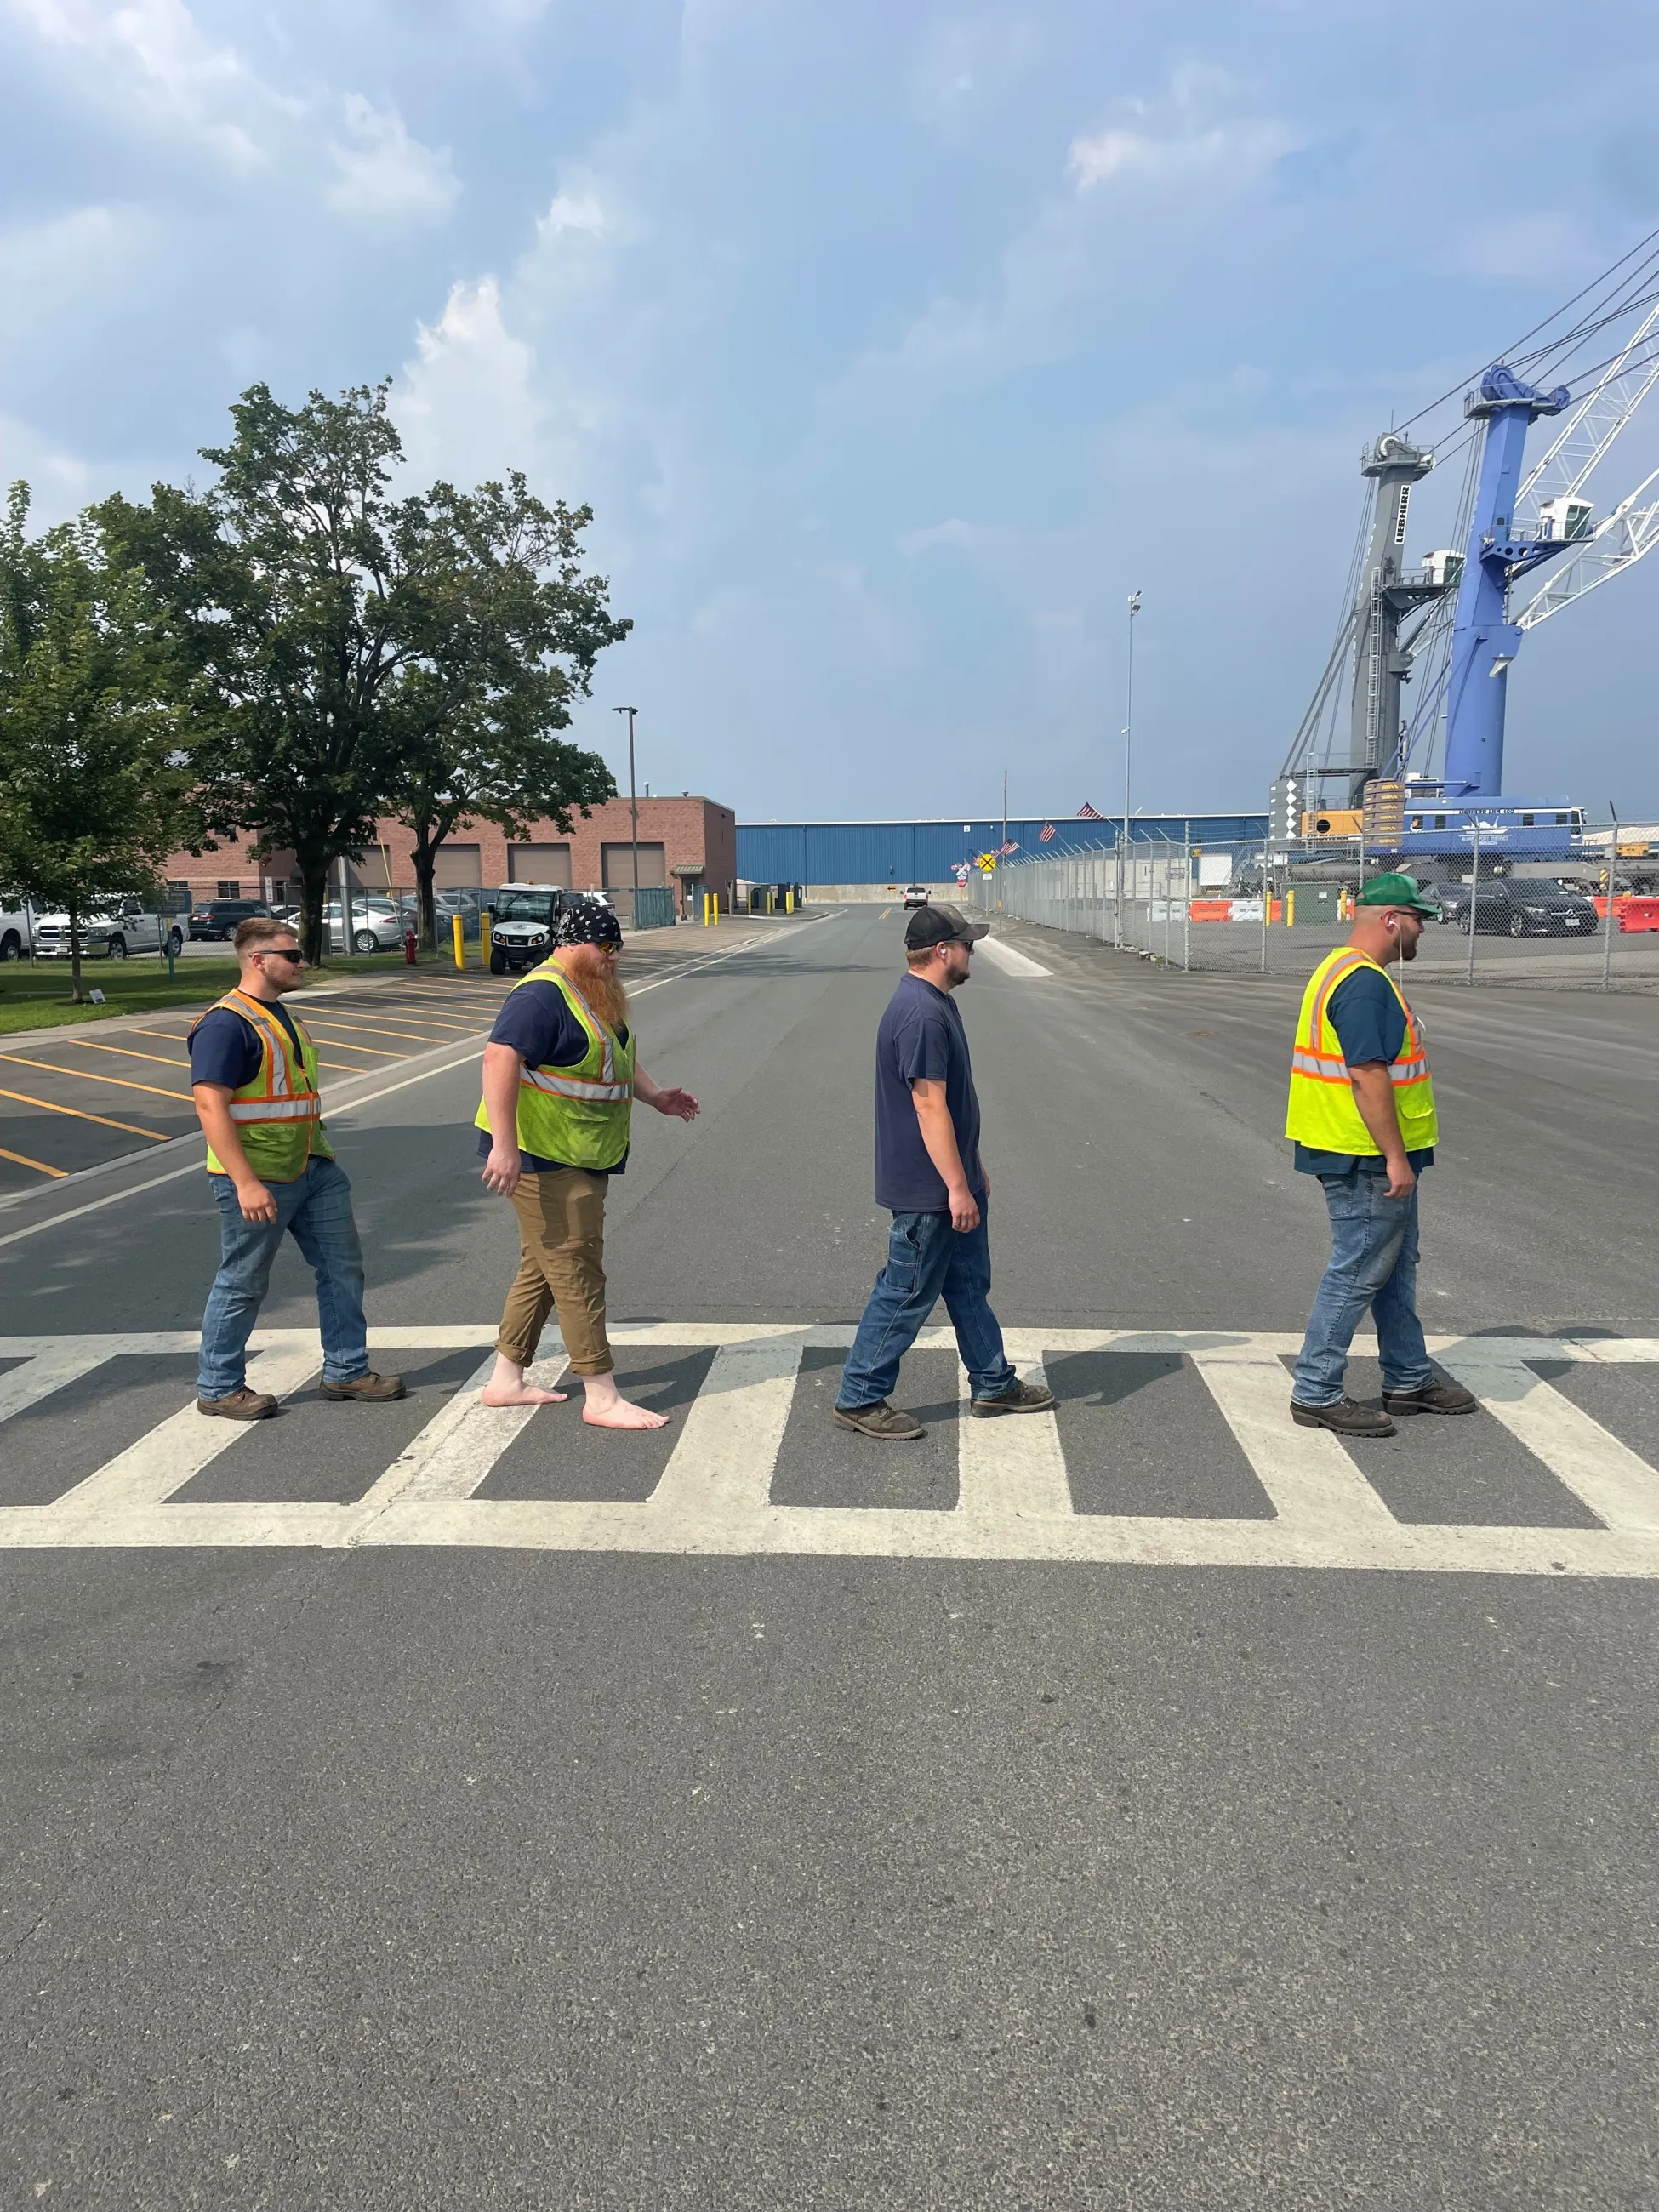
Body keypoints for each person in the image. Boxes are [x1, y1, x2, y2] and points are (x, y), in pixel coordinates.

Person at [476, 900, 700, 1430]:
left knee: (544, 1264)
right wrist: (504, 1147)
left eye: (617, 947)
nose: (614, 958)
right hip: (542, 1154)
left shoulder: (587, 989)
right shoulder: (541, 994)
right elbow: (499, 1057)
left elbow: (614, 1056)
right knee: (576, 1267)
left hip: (577, 1151)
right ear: (573, 944)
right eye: (605, 947)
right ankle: (600, 1396)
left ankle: (506, 1379)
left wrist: (655, 1096)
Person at [835, 903, 1053, 1439]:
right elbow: (929, 1105)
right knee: (906, 1291)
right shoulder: (922, 1014)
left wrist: (972, 1170)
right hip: (928, 1189)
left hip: (953, 1180)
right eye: (967, 945)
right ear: (942, 951)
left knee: (969, 1285)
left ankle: (993, 1382)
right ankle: (860, 1396)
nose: (972, 952)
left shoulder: (936, 1003)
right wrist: (956, 1186)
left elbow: (953, 1105)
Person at [1285, 871, 1478, 1439]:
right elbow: (1367, 1074)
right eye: (1418, 920)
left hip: (1364, 1149)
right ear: (1391, 920)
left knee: (1392, 1267)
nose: (1423, 931)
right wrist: (1395, 1156)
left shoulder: (1344, 969)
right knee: (1359, 1270)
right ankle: (1316, 1391)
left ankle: (1408, 1377)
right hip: (1364, 1155)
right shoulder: (1364, 983)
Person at [189, 916, 404, 1419]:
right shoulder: (225, 1024)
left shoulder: (282, 1015)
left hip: (313, 1166)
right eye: (291, 956)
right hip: (259, 1175)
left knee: (342, 1268)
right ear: (258, 960)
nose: (301, 963)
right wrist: (245, 1182)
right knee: (243, 1281)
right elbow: (209, 1107)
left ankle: (346, 1370)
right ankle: (218, 1386)